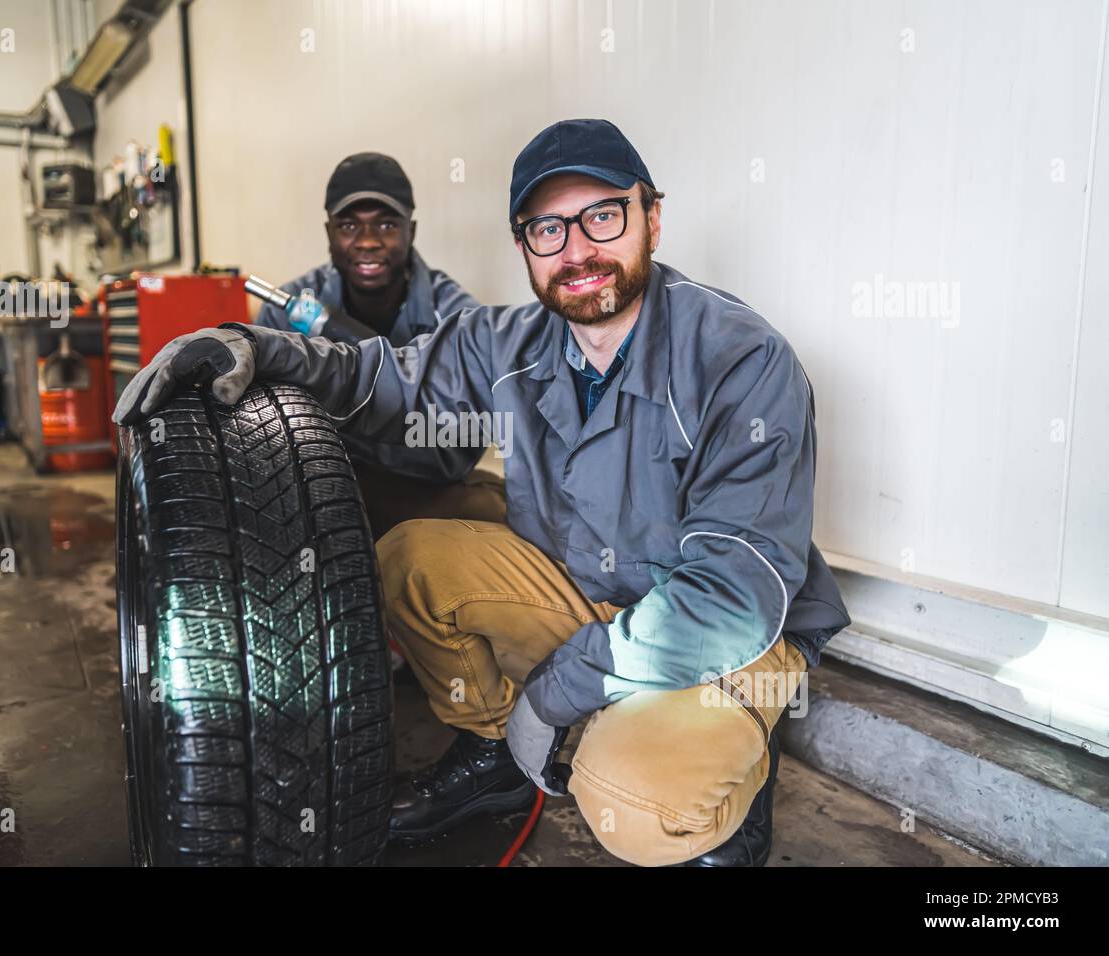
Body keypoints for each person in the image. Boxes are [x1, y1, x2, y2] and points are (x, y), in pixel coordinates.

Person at [114, 118, 851, 867]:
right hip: (590, 594)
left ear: (651, 218)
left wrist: (558, 690)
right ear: (524, 244)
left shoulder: (740, 359)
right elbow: (379, 378)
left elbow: (731, 599)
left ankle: (735, 785)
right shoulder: (507, 344)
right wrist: (256, 344)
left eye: (603, 215)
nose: (578, 249)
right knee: (410, 560)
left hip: (727, 637)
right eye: (547, 228)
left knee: (634, 804)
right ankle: (498, 753)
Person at [255, 150, 504, 536]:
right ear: (329, 233)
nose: (368, 242)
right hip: (318, 486)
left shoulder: (456, 317)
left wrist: (337, 417)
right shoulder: (284, 312)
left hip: (421, 491)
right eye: (350, 226)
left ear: (412, 231)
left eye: (387, 225)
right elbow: (271, 439)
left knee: (490, 514)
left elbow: (455, 453)